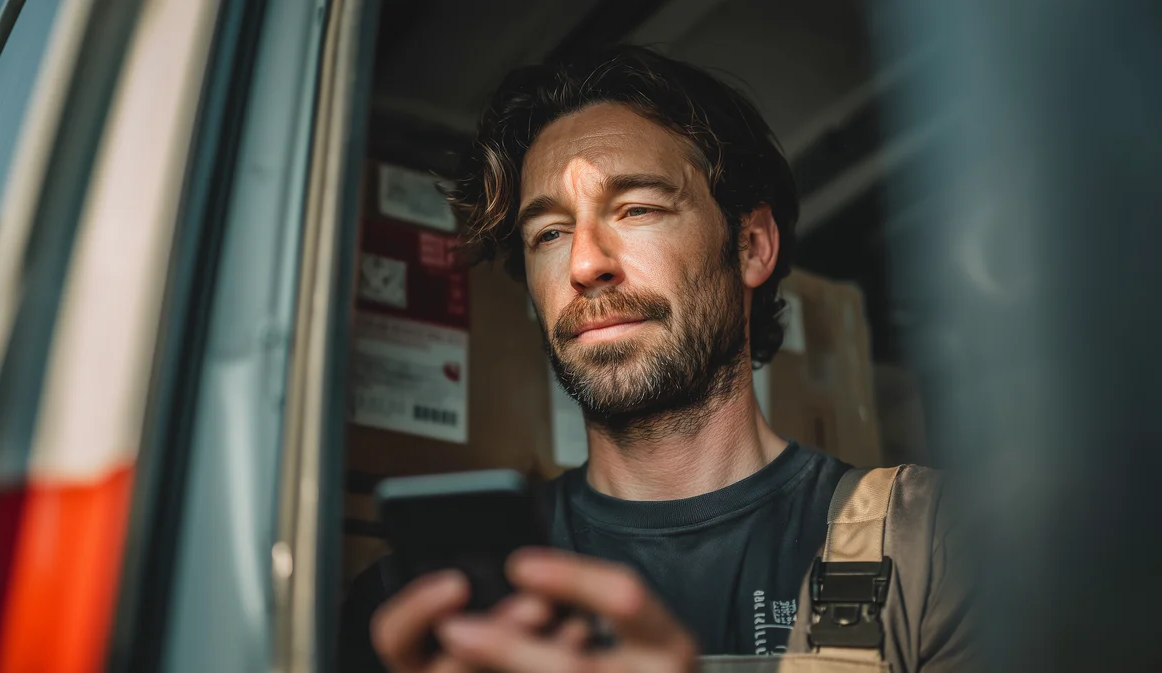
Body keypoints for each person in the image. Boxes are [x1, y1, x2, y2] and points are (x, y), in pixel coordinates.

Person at [338, 45, 973, 673]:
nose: (585, 265)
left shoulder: (929, 543)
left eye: (636, 209)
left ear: (751, 247)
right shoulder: (418, 608)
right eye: (550, 234)